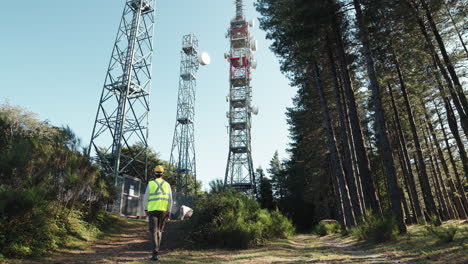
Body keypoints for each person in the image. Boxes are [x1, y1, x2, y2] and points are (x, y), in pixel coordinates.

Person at [143, 165, 173, 261]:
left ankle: (155, 254)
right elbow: (170, 200)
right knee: (159, 231)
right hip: (163, 211)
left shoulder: (151, 184)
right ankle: (157, 252)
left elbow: (145, 198)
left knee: (153, 232)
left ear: (154, 174)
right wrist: (169, 211)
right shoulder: (167, 185)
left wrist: (145, 209)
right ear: (162, 174)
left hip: (152, 211)